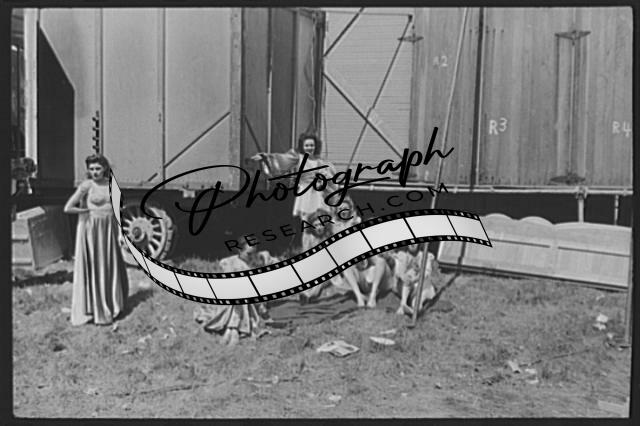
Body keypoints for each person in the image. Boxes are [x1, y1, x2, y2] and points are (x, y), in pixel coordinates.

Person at [64, 154, 129, 326]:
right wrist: (85, 212)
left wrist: (121, 234)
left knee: (109, 266)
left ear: (105, 168)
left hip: (109, 230)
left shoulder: (111, 184)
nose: (95, 172)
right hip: (93, 230)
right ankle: (96, 308)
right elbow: (68, 207)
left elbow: (118, 211)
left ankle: (112, 305)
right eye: (91, 169)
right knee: (96, 266)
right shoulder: (86, 185)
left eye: (98, 168)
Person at [251, 133, 338, 247]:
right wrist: (265, 157)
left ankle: (324, 246)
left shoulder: (321, 161)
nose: (309, 148)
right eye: (307, 145)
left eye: (312, 145)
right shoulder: (298, 158)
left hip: (318, 194)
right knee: (307, 224)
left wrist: (326, 178)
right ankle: (308, 247)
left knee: (322, 221)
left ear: (316, 146)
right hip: (305, 194)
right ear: (302, 146)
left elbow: (331, 176)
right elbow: (282, 159)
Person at [194, 241, 274, 346]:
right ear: (240, 251)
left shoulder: (259, 260)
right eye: (248, 253)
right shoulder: (231, 263)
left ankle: (231, 330)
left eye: (253, 253)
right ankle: (233, 330)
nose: (251, 257)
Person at [389, 244, 437, 316]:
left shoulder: (425, 256)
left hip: (422, 287)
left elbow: (426, 274)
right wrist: (404, 277)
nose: (412, 245)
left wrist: (415, 278)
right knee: (408, 275)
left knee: (415, 303)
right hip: (407, 287)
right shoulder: (402, 255)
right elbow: (399, 272)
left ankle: (414, 311)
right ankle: (403, 304)